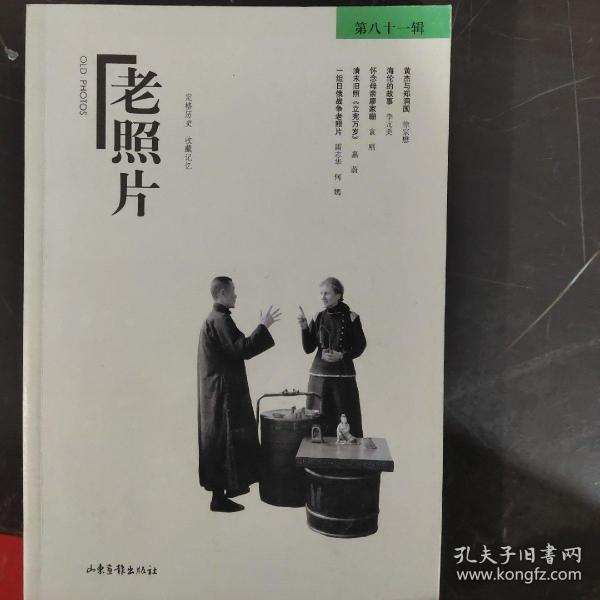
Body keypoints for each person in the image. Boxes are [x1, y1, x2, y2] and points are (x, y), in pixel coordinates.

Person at [197, 276, 281, 512]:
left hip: (217, 391)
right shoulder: (220, 320)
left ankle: (225, 492)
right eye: (233, 291)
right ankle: (218, 499)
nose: (236, 295)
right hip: (222, 393)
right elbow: (242, 349)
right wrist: (263, 326)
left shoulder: (215, 318)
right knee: (223, 440)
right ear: (222, 293)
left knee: (222, 441)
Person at [298, 277, 366, 438]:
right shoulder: (318, 316)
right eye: (321, 293)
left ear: (338, 295)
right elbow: (308, 348)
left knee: (345, 423)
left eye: (326, 293)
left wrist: (341, 356)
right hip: (318, 379)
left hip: (342, 379)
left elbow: (360, 346)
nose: (322, 297)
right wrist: (304, 327)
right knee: (318, 424)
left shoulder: (352, 317)